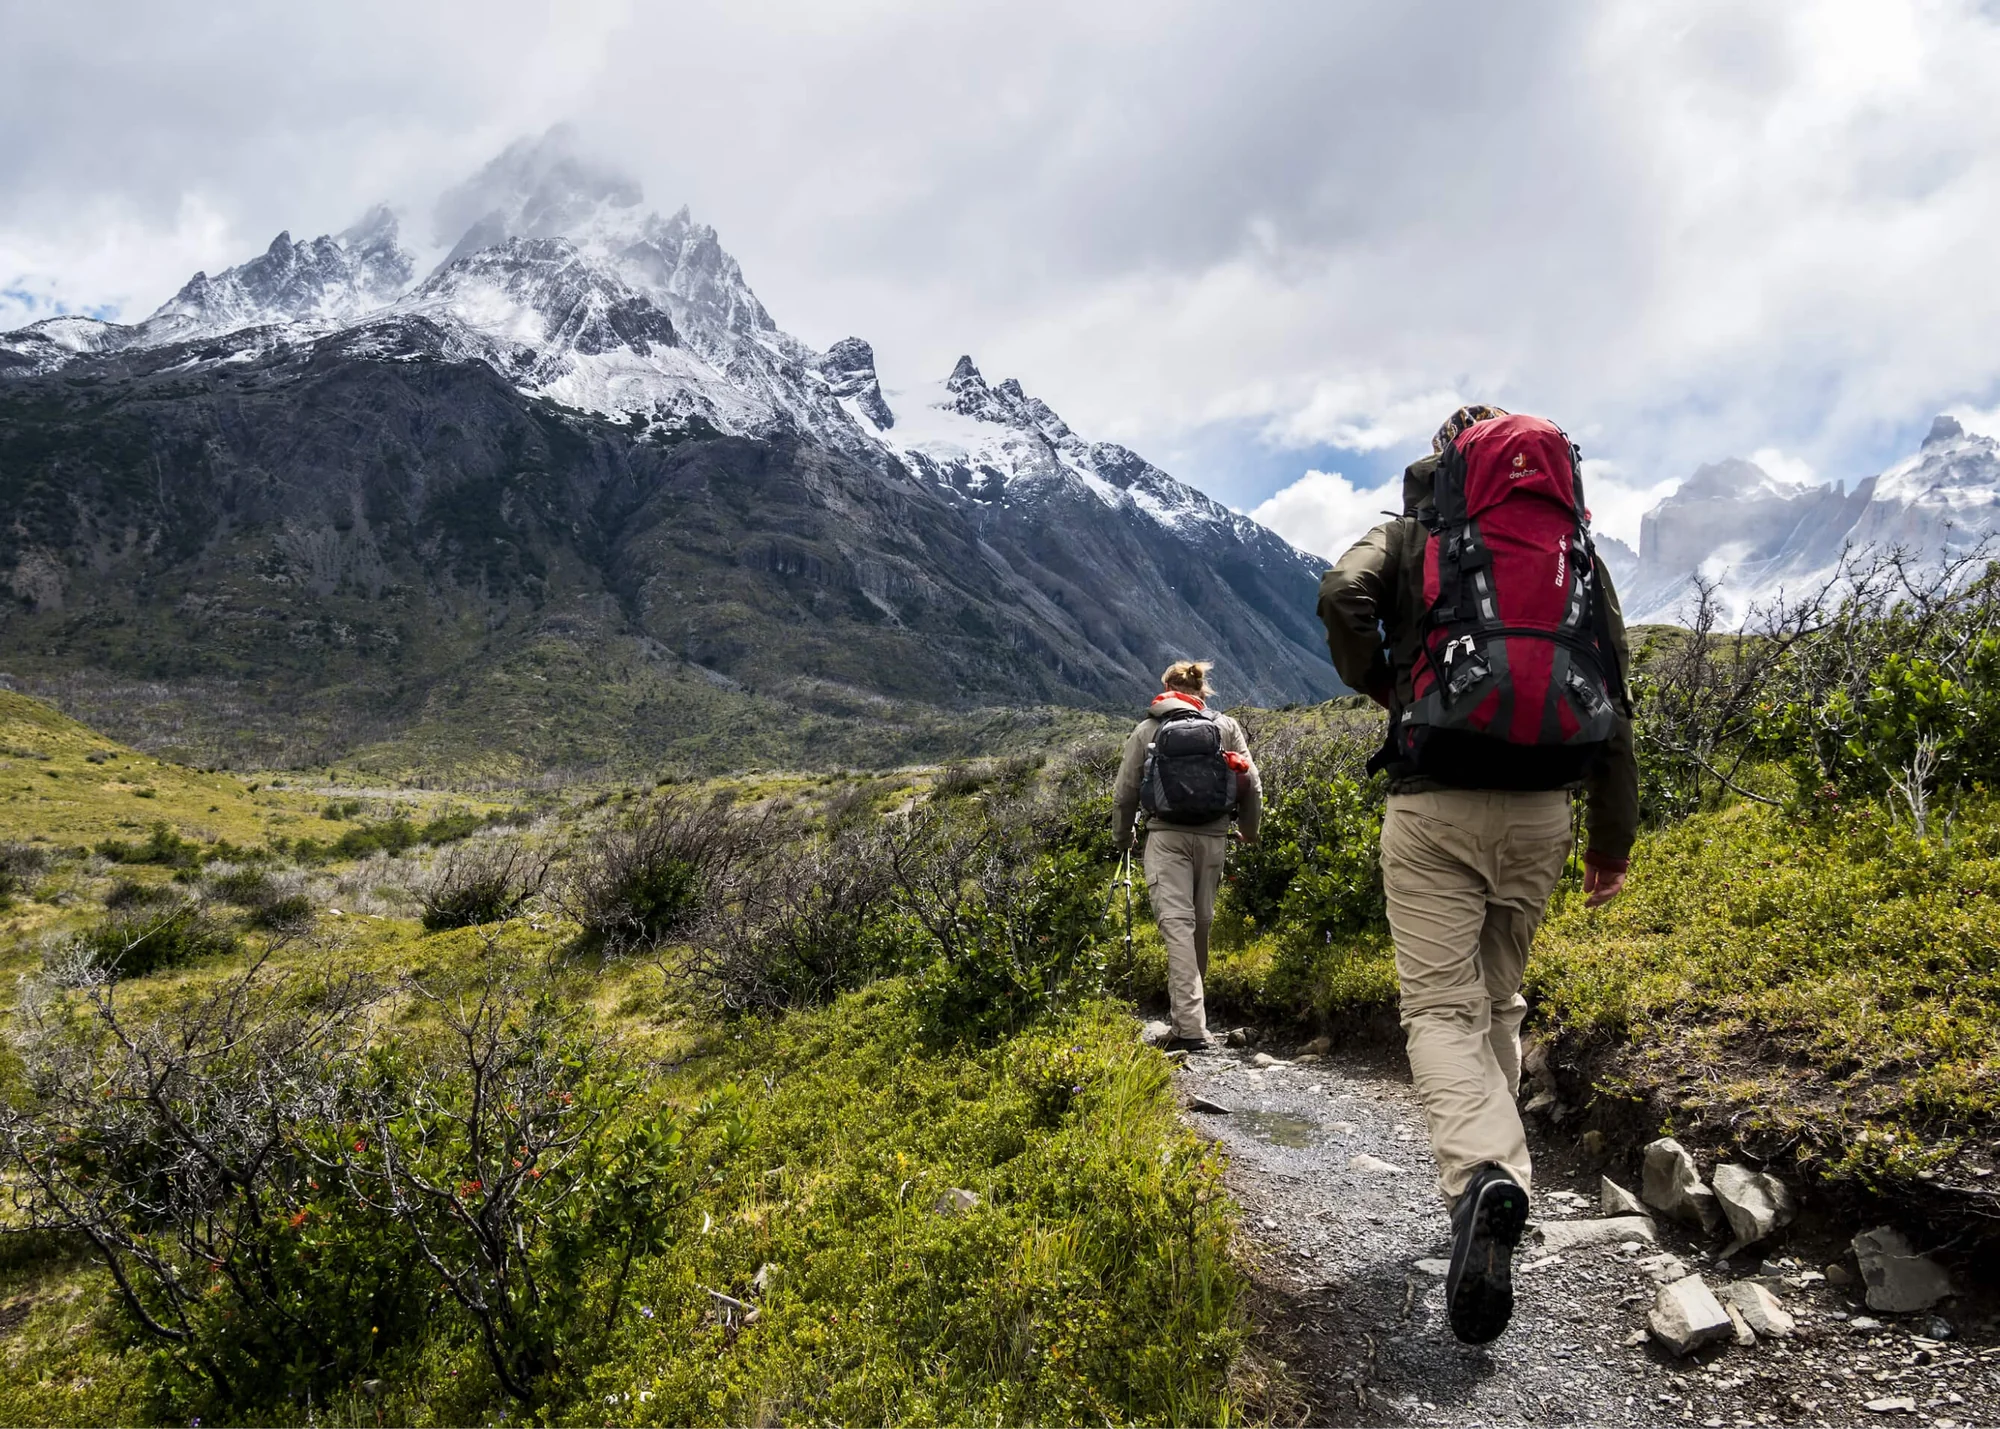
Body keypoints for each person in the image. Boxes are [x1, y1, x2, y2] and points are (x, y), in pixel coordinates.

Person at [1317, 405, 1637, 1345]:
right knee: (1498, 1002)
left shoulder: (1418, 534)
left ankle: (1483, 1179)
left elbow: (1342, 594)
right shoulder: (1572, 551)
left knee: (1439, 1011)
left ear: (1448, 460)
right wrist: (1610, 843)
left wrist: (1383, 682)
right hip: (1544, 811)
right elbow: (1613, 688)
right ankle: (1498, 1183)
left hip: (1435, 803)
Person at [1112, 660, 1263, 1053]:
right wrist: (1249, 829)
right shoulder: (1225, 726)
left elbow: (1125, 791)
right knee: (1200, 925)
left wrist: (1124, 836)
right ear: (1202, 690)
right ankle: (1192, 1019)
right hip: (1214, 837)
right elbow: (1252, 783)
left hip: (1166, 838)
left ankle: (1191, 1028)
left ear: (1166, 687)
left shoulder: (1148, 729)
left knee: (1177, 926)